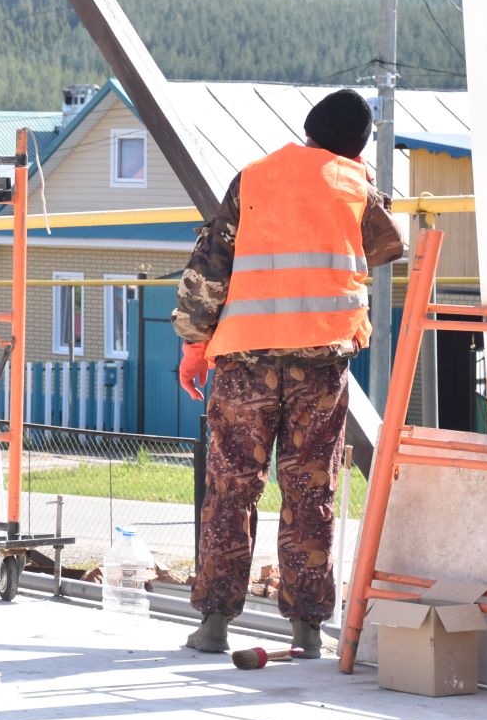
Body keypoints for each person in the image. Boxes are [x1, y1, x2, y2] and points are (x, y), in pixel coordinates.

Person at [174, 88, 406, 657]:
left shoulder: (254, 178)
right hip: (321, 369)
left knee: (231, 490)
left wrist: (194, 346)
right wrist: (354, 183)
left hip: (245, 365)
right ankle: (307, 627)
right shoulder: (356, 187)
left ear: (308, 127)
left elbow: (210, 269)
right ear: (358, 145)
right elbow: (387, 246)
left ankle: (214, 625)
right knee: (311, 493)